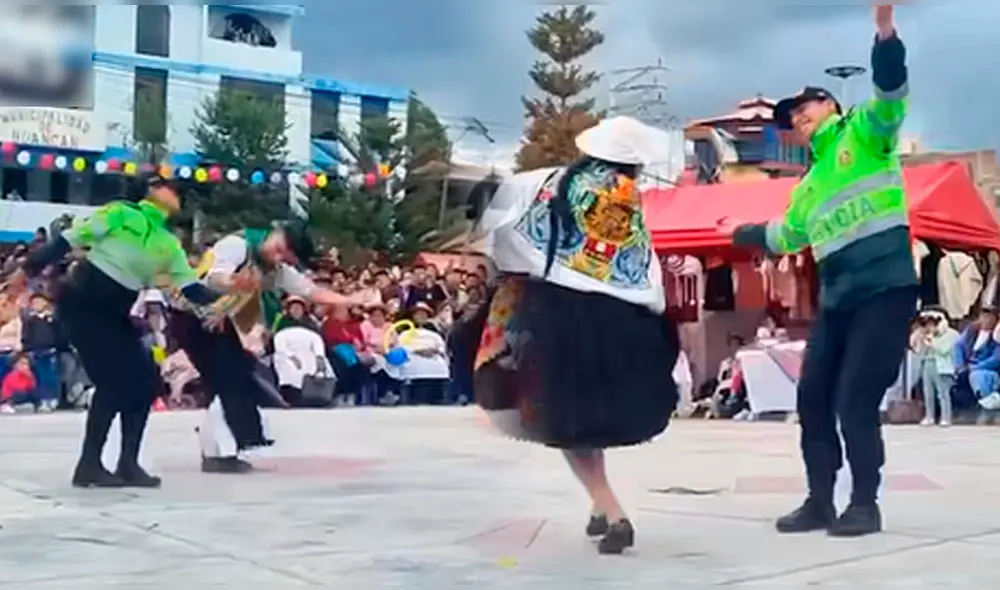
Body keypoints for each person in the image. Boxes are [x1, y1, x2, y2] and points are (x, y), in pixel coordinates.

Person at [721, 5, 914, 536]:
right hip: (839, 299)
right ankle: (820, 499)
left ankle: (865, 504)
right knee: (813, 398)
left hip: (886, 289)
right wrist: (743, 233)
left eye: (804, 111)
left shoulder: (866, 135)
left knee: (855, 398)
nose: (798, 122)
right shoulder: (807, 185)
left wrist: (886, 40)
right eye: (793, 121)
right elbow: (787, 236)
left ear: (828, 104)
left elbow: (892, 95)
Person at [453, 116, 679, 554]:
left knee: (564, 418)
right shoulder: (631, 200)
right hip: (618, 319)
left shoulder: (548, 181)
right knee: (583, 418)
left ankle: (612, 511)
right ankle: (599, 502)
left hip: (553, 313)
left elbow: (491, 214)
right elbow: (644, 269)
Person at [8, 173, 220, 488]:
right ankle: (90, 465)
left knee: (145, 381)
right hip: (83, 304)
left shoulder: (168, 243)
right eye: (169, 186)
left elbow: (193, 290)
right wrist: (27, 269)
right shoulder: (119, 213)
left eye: (179, 191)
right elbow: (68, 240)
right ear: (151, 190)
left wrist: (229, 294)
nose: (176, 193)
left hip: (114, 313)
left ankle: (127, 464)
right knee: (114, 382)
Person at [171, 221, 362, 474]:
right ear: (275, 234)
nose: (278, 256)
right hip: (193, 317)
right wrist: (233, 283)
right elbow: (213, 275)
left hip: (223, 322)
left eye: (286, 257)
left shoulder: (277, 271)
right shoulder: (237, 245)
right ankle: (220, 450)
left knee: (234, 378)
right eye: (279, 248)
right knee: (228, 378)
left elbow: (310, 291)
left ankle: (223, 448)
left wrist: (348, 299)